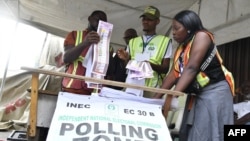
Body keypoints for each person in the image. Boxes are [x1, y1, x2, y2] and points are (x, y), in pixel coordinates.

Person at [153, 10, 235, 141]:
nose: (173, 32)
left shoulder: (202, 36)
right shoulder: (182, 48)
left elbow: (191, 68)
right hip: (198, 93)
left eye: (177, 28)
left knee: (207, 131)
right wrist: (155, 99)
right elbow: (173, 74)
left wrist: (172, 95)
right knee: (191, 131)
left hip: (215, 92)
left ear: (189, 28)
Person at [117, 6, 172, 97]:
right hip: (132, 87)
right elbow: (127, 67)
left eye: (149, 19)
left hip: (151, 89)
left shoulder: (165, 41)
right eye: (144, 19)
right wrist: (126, 59)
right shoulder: (133, 41)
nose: (145, 22)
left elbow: (165, 69)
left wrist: (149, 65)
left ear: (157, 21)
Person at [62, 10, 113, 95]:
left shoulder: (108, 46)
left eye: (103, 22)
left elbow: (109, 72)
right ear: (89, 19)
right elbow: (66, 58)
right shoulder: (74, 35)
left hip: (95, 93)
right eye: (98, 19)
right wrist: (85, 43)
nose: (100, 23)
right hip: (72, 89)